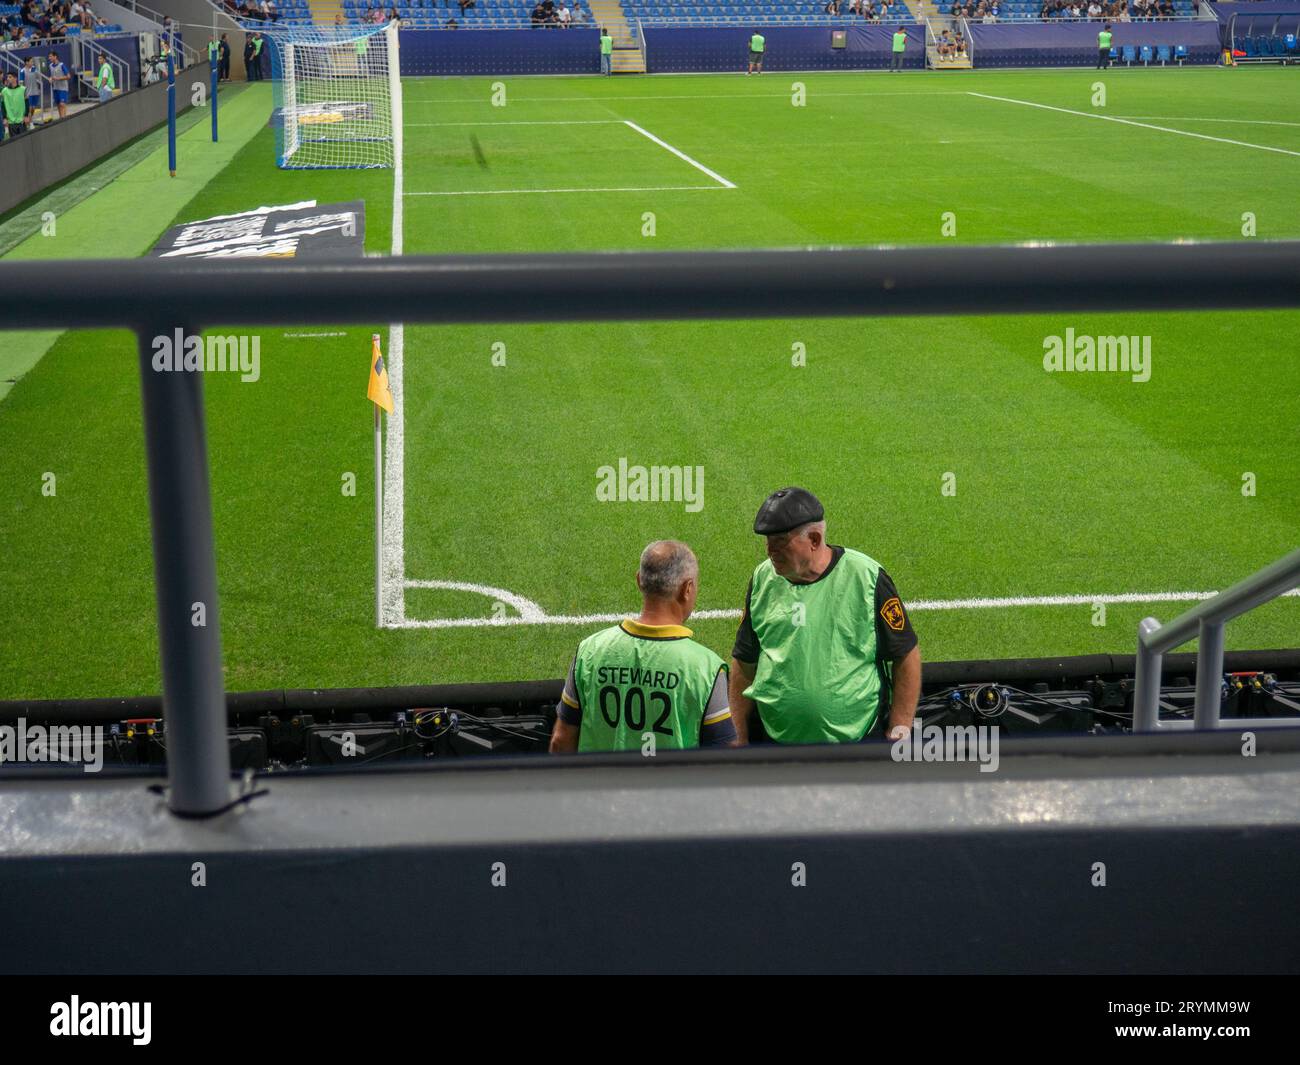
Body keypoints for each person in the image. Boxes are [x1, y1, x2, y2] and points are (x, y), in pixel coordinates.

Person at [728, 488, 921, 746]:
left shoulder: (866, 577)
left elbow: (906, 653)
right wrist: (737, 734)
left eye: (780, 541)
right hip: (776, 746)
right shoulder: (763, 578)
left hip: (856, 744)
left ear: (815, 539)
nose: (770, 551)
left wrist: (900, 729)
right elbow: (744, 660)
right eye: (767, 541)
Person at [549, 541, 738, 753]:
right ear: (687, 588)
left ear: (639, 581)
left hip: (599, 785)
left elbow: (561, 741)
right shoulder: (707, 669)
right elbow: (723, 757)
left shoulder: (589, 650)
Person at [2, 71, 26, 139]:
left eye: (10, 77)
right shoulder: (4, 91)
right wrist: (4, 118)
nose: (8, 79)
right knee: (14, 143)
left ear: (15, 78)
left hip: (22, 120)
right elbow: (2, 104)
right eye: (7, 77)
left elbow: (27, 102)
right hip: (11, 122)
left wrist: (26, 115)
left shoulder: (23, 89)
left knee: (24, 141)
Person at [47, 50, 68, 118]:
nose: (49, 58)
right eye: (49, 56)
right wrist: (50, 78)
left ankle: (64, 118)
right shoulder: (50, 66)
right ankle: (61, 118)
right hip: (55, 88)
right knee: (58, 104)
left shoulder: (61, 65)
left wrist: (58, 78)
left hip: (63, 88)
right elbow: (52, 76)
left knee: (62, 104)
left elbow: (68, 76)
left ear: (55, 57)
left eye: (50, 56)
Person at [21, 55, 39, 128]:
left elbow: (38, 77)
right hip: (28, 93)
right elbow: (21, 83)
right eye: (31, 61)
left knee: (33, 108)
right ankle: (30, 123)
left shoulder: (34, 69)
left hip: (35, 92)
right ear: (26, 62)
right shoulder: (22, 71)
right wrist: (23, 94)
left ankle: (28, 120)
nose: (32, 63)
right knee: (29, 108)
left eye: (32, 61)